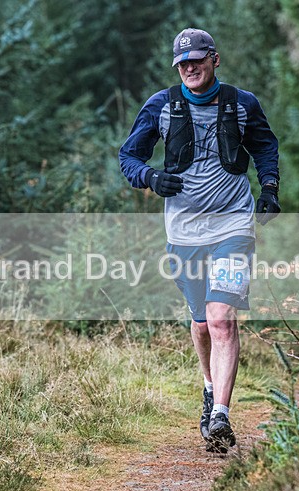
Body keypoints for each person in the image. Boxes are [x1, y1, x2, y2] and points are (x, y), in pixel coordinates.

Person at [119, 28, 281, 452]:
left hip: (233, 224)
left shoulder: (243, 104)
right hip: (184, 231)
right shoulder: (162, 105)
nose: (190, 68)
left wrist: (270, 188)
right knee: (202, 321)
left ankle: (221, 415)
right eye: (182, 63)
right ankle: (209, 386)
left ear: (215, 59)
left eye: (197, 60)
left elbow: (265, 146)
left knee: (222, 317)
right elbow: (128, 157)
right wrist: (151, 177)